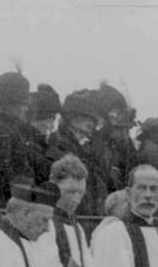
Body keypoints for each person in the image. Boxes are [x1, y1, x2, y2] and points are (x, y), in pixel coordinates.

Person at [45, 90, 111, 219]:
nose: (91, 126)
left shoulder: (85, 150)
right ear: (73, 119)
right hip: (72, 216)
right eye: (88, 120)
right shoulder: (58, 147)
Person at [0, 71, 42, 203]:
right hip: (8, 204)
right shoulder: (0, 130)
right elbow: (3, 174)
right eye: (21, 104)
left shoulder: (6, 126)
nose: (25, 108)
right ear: (10, 104)